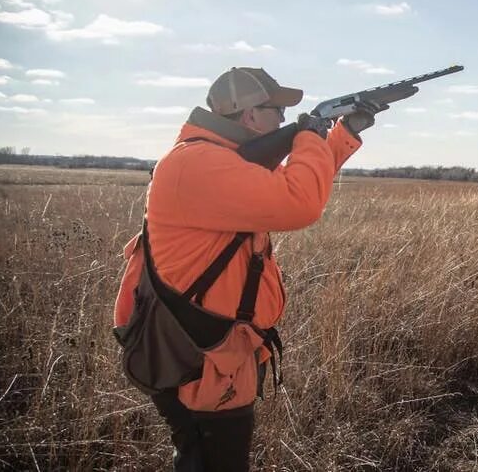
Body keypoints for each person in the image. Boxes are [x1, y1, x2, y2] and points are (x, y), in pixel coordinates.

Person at [113, 67, 385, 471]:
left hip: (216, 351)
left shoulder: (222, 162)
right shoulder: (198, 164)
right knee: (211, 461)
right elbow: (300, 203)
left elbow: (297, 182)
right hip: (201, 357)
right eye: (276, 110)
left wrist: (342, 134)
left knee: (209, 457)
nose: (282, 120)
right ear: (248, 115)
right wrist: (308, 133)